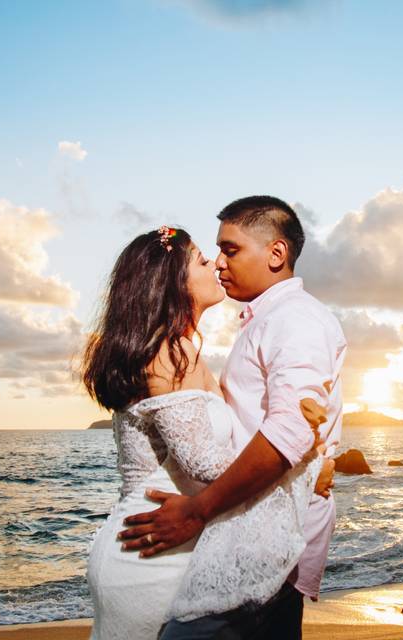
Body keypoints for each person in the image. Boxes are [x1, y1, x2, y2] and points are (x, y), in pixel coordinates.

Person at [82, 224, 336, 640]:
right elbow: (205, 465)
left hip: (170, 541)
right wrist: (306, 468)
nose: (216, 264)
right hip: (151, 549)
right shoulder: (168, 351)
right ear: (171, 281)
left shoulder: (180, 348)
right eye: (202, 260)